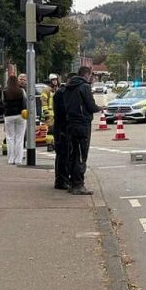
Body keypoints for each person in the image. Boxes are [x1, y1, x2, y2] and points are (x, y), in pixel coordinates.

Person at [59, 66, 101, 195]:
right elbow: (90, 105)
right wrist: (99, 108)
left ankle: (72, 182)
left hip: (70, 123)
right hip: (82, 124)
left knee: (73, 154)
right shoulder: (84, 87)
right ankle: (78, 184)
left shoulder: (67, 88)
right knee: (82, 155)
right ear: (87, 75)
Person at [51, 73, 74, 190]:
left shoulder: (62, 92)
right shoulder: (62, 93)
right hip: (62, 128)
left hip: (62, 127)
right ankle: (61, 180)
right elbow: (62, 112)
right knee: (63, 155)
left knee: (63, 155)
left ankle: (62, 179)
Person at [1, 75, 28, 165]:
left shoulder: (5, 91)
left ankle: (10, 159)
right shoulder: (21, 91)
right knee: (19, 138)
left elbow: (2, 104)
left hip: (8, 116)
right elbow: (24, 103)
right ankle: (18, 159)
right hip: (20, 116)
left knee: (10, 138)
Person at [41, 74, 60, 153]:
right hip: (50, 113)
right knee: (50, 130)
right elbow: (43, 100)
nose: (55, 81)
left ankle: (55, 144)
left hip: (57, 113)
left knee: (57, 130)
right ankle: (49, 145)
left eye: (56, 80)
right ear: (50, 81)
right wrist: (45, 111)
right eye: (53, 80)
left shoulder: (58, 89)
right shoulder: (47, 90)